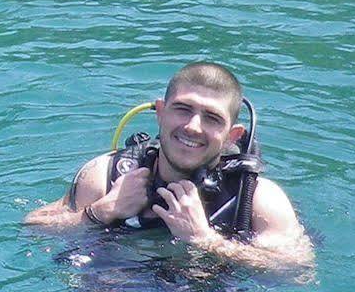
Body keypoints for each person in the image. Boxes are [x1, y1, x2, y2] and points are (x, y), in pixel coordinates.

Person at [24, 62, 311, 270]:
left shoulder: (255, 197)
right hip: (112, 287)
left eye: (212, 118)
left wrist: (205, 239)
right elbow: (34, 228)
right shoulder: (108, 176)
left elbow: (296, 269)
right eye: (183, 110)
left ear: (231, 136)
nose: (193, 127)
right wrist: (101, 212)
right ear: (160, 113)